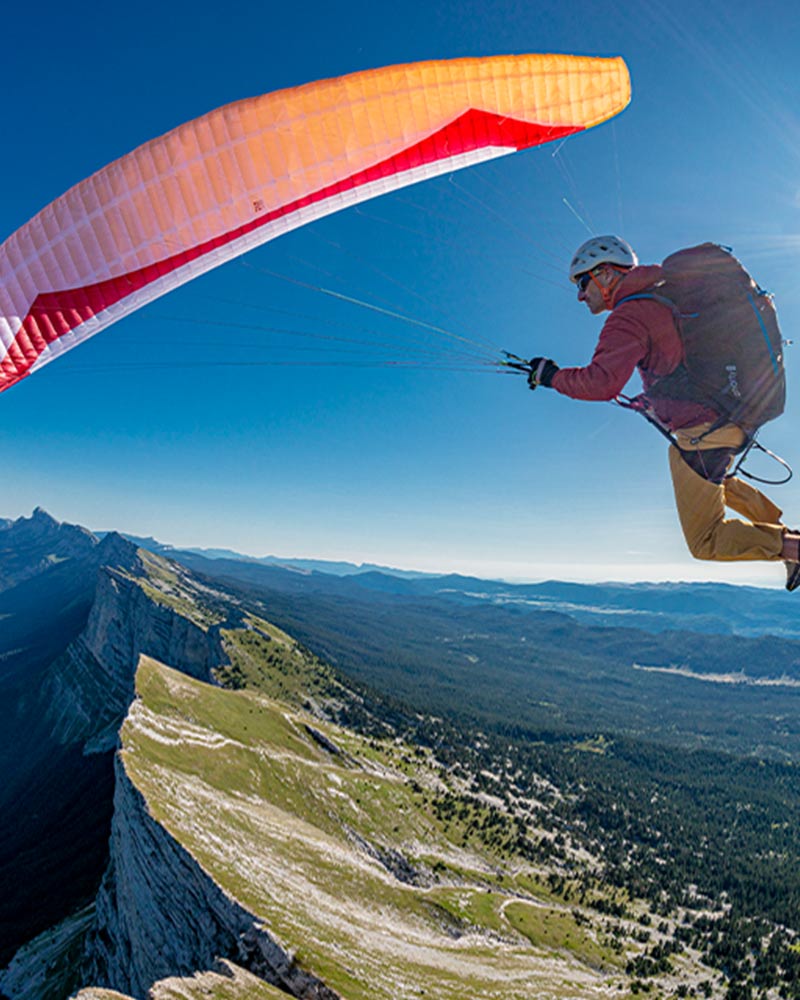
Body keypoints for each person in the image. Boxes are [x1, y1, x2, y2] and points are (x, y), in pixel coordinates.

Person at [528, 235, 800, 590]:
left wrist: (550, 376)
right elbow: (680, 360)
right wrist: (655, 401)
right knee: (705, 472)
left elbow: (600, 383)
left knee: (706, 541)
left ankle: (792, 547)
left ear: (606, 275)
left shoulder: (630, 314)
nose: (580, 294)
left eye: (582, 281)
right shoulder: (664, 294)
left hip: (708, 427)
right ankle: (786, 534)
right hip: (733, 414)